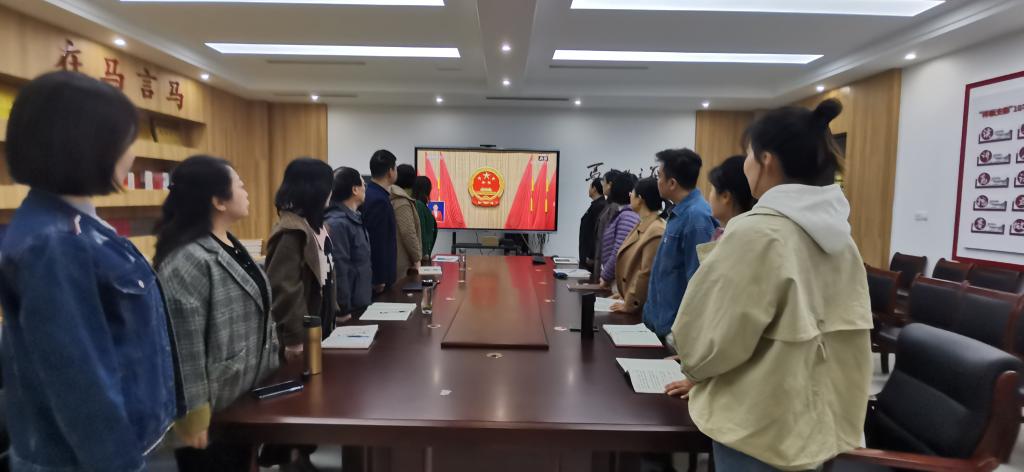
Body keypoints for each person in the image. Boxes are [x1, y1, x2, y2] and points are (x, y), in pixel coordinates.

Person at [668, 99, 873, 471]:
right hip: (817, 421)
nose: (745, 163)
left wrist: (695, 370)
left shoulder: (756, 232)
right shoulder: (842, 238)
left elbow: (709, 339)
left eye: (748, 154)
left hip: (757, 426)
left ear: (766, 160)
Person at [0, 71, 177, 472]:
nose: (131, 153)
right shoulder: (54, 242)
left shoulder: (79, 224)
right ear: (85, 143)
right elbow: (79, 380)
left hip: (129, 442)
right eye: (125, 140)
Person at [154, 156, 279, 471]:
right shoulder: (187, 259)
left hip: (243, 397)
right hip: (212, 411)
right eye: (240, 186)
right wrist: (194, 413)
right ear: (218, 201)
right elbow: (184, 344)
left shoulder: (228, 244)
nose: (246, 192)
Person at [642, 149, 717, 337]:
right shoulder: (680, 212)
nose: (657, 181)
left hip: (676, 331)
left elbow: (698, 282)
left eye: (660, 176)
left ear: (672, 183)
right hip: (660, 322)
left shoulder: (696, 218)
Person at [608, 178, 665, 314]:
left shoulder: (656, 229)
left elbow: (646, 272)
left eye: (632, 192)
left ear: (640, 199)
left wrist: (631, 301)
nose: (629, 195)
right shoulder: (643, 223)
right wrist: (624, 294)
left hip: (641, 310)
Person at [325, 167, 373, 319]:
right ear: (354, 190)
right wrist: (342, 308)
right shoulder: (338, 223)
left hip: (360, 301)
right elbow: (339, 268)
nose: (365, 187)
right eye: (363, 184)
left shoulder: (354, 218)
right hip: (349, 309)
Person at [362, 150, 399, 291]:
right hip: (379, 280)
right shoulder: (379, 200)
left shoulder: (371, 193)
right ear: (390, 171)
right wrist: (379, 279)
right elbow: (377, 240)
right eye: (395, 168)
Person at [599, 172, 640, 287]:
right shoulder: (623, 213)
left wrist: (605, 276)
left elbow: (619, 251)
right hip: (616, 278)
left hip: (619, 280)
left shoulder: (627, 216)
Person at [707, 155, 756, 240]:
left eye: (712, 189)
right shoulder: (751, 231)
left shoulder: (736, 238)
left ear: (725, 196)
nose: (709, 196)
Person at [590, 169, 622, 282]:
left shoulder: (614, 207)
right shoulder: (609, 205)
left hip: (607, 268)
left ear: (610, 185)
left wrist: (605, 273)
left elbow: (611, 242)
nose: (602, 184)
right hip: (601, 263)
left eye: (604, 181)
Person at [391, 164, 423, 278]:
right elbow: (408, 233)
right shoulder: (402, 202)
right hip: (403, 263)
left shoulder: (393, 196)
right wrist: (417, 260)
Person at [578, 178, 606, 271]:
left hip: (590, 259)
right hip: (587, 256)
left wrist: (591, 255)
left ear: (594, 189)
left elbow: (597, 233)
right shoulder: (596, 205)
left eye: (590, 186)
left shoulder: (600, 206)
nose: (589, 189)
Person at [411, 176, 438, 258]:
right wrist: (425, 253)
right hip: (423, 255)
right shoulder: (419, 205)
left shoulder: (420, 205)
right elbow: (421, 230)